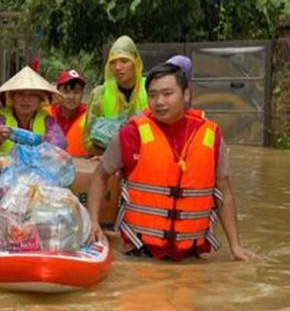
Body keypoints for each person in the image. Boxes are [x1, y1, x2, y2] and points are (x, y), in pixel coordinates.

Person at [88, 63, 253, 261]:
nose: (159, 102)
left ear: (186, 95)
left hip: (192, 255)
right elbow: (100, 175)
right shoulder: (131, 134)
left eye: (167, 93)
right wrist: (93, 221)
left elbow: (224, 193)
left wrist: (235, 246)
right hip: (140, 253)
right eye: (152, 95)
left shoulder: (211, 135)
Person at [83, 35, 148, 154]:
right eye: (113, 62)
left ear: (136, 62)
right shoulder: (100, 94)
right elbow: (87, 141)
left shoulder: (151, 89)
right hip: (110, 162)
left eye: (124, 61)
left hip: (146, 158)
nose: (118, 67)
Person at [0, 66, 67, 153]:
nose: (26, 99)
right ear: (12, 98)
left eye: (32, 95)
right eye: (20, 94)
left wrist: (45, 141)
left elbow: (61, 143)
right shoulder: (0, 118)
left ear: (40, 100)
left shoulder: (47, 120)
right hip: (6, 166)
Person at [48, 69, 89, 157]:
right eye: (66, 92)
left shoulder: (90, 115)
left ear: (82, 93)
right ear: (57, 93)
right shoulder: (46, 113)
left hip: (80, 164)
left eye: (77, 92)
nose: (71, 97)